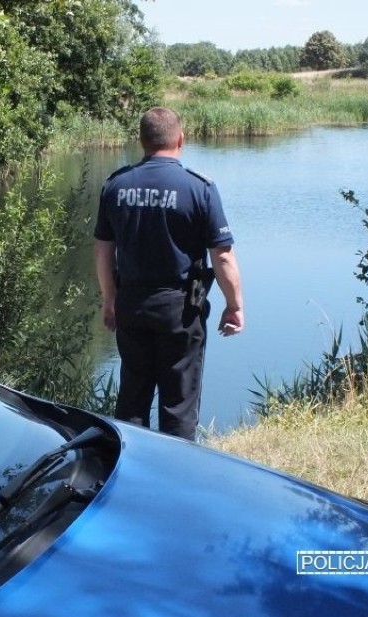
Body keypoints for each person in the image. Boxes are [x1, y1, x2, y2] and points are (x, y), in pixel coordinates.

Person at [93, 106, 244, 441]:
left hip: (131, 304)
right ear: (181, 140)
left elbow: (103, 251)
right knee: (178, 406)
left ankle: (129, 472)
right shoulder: (199, 188)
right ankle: (176, 477)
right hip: (180, 310)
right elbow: (223, 256)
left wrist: (109, 301)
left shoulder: (116, 186)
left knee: (132, 399)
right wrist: (234, 305)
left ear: (142, 140)